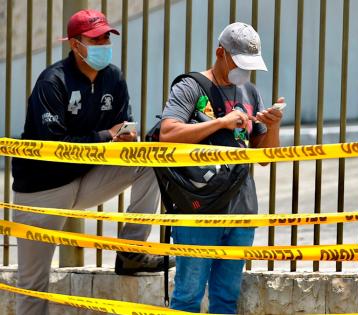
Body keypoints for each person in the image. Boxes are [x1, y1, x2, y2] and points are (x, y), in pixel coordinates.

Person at [11, 9, 173, 315]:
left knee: (148, 163)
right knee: (33, 288)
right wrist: (105, 136)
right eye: (95, 38)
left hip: (85, 180)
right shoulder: (52, 81)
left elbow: (119, 130)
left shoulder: (113, 77)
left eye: (106, 37)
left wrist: (125, 140)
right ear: (75, 44)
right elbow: (53, 149)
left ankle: (130, 253)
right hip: (41, 192)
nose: (103, 43)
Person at [160, 22, 284, 313]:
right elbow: (167, 133)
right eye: (240, 63)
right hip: (198, 209)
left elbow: (264, 156)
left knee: (227, 298)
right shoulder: (190, 86)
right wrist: (221, 122)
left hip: (241, 209)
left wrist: (274, 126)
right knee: (188, 296)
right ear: (220, 53)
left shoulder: (250, 92)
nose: (245, 72)